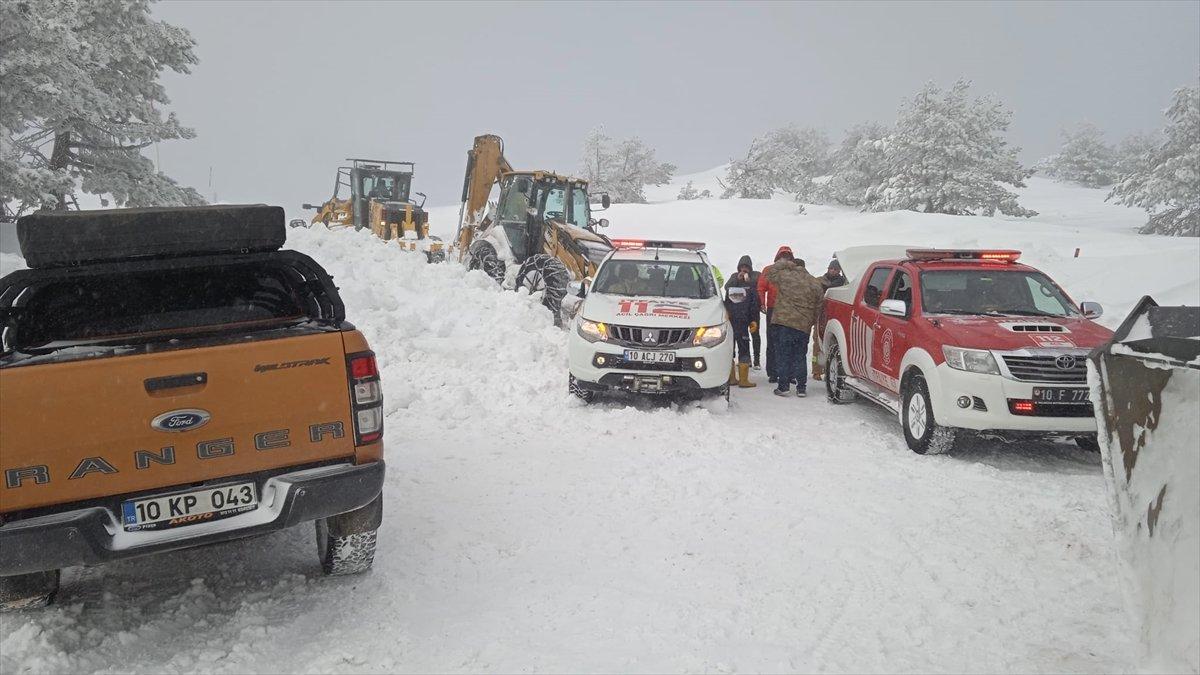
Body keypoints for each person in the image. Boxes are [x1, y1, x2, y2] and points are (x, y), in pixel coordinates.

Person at [764, 252, 828, 397]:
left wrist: (785, 263)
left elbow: (770, 272)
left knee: (783, 355)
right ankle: (801, 388)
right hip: (803, 326)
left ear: (794, 266)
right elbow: (819, 307)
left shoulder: (786, 277)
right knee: (800, 356)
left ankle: (783, 387)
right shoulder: (815, 283)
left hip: (783, 323)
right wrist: (810, 322)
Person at [757, 246, 792, 383]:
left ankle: (788, 373)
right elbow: (761, 287)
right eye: (783, 256)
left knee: (787, 341)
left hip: (789, 309)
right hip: (774, 309)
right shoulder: (769, 270)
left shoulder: (793, 270)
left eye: (787, 256)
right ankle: (773, 372)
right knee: (772, 340)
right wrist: (762, 303)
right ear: (777, 257)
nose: (785, 258)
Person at [724, 255, 761, 388]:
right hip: (731, 320)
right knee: (730, 349)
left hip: (743, 321)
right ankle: (732, 378)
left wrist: (753, 320)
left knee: (744, 348)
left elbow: (755, 303)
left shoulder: (753, 282)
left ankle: (744, 379)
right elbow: (726, 292)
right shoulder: (734, 279)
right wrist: (736, 280)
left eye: (746, 268)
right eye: (742, 267)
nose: (744, 270)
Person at [811, 258, 846, 380]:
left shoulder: (844, 284)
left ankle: (829, 370)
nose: (833, 271)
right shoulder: (819, 281)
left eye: (835, 269)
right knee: (817, 343)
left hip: (836, 317)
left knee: (833, 345)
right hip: (821, 316)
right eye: (831, 268)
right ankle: (816, 370)